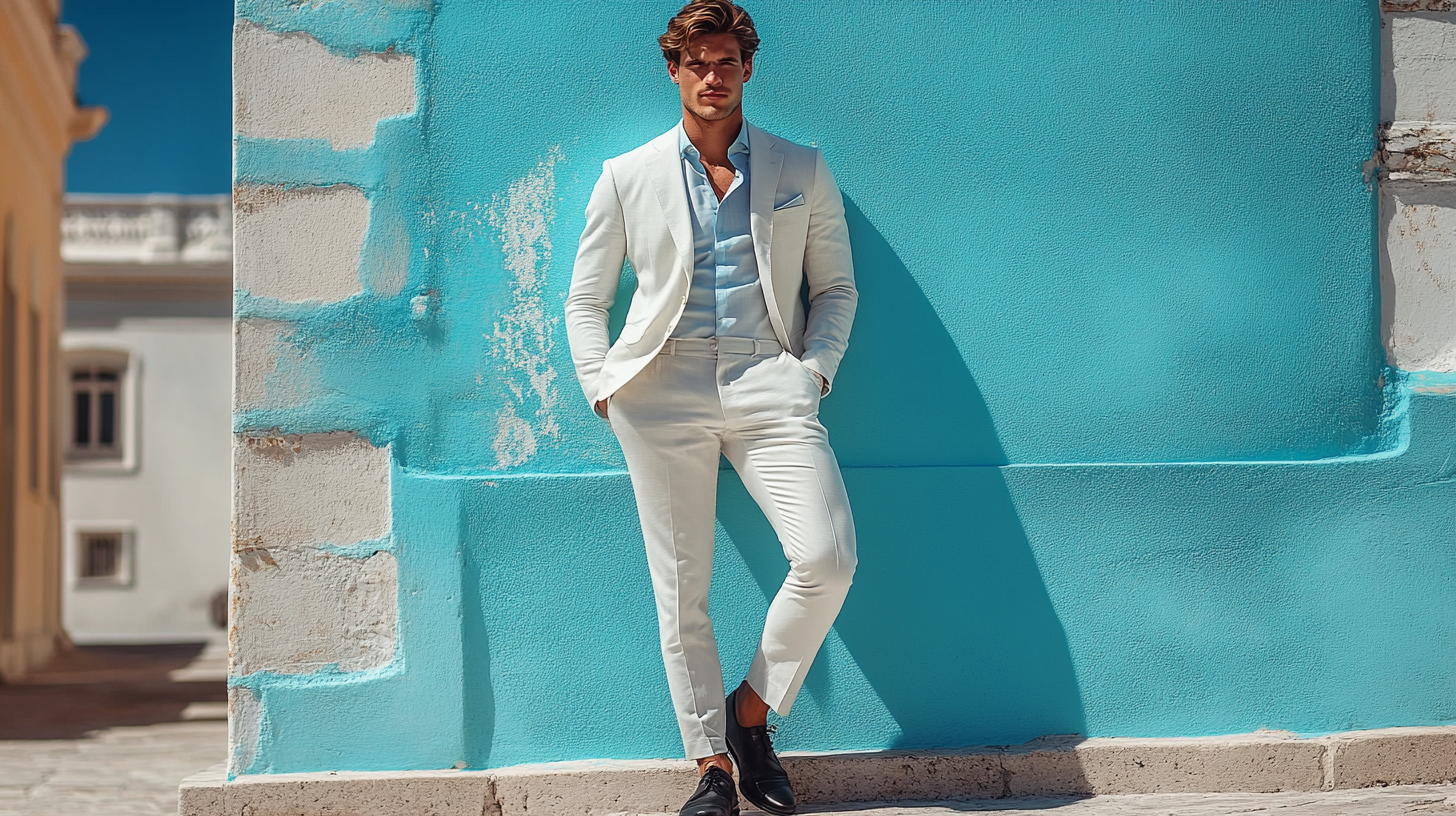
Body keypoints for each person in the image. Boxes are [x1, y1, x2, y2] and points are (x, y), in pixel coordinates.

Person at [565, 2, 857, 813]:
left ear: (747, 68)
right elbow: (585, 300)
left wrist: (814, 372)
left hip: (772, 382)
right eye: (696, 63)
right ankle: (712, 770)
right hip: (661, 388)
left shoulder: (801, 168)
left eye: (726, 62)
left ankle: (749, 715)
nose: (712, 77)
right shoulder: (627, 175)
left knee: (828, 558)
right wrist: (604, 384)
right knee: (681, 587)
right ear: (674, 70)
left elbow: (835, 288)